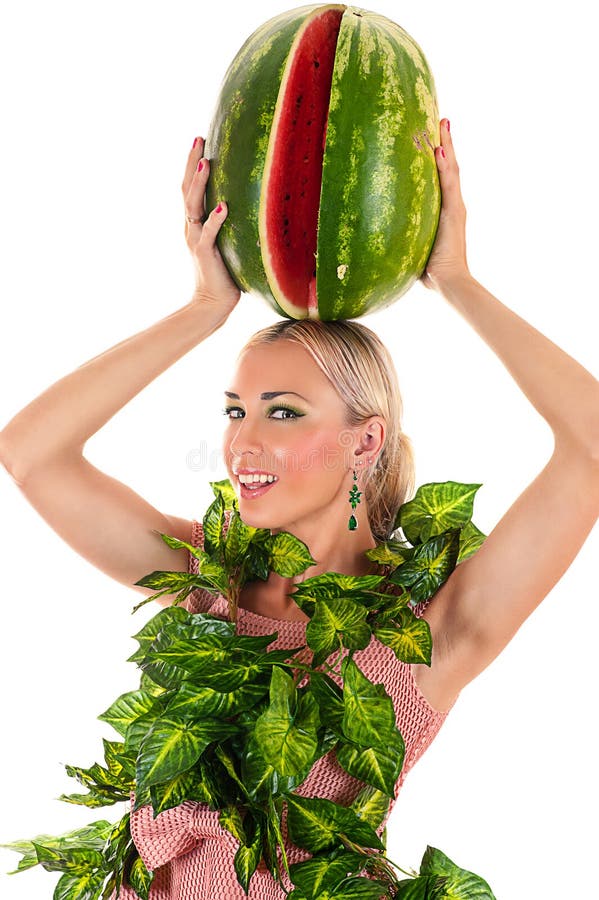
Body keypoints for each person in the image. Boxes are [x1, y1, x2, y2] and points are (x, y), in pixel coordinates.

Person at [1, 119, 598, 899]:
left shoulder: (427, 635)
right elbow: (30, 452)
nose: (242, 442)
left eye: (281, 413)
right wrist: (202, 308)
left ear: (364, 440)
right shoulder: (202, 576)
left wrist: (457, 281)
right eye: (234, 411)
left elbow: (589, 446)